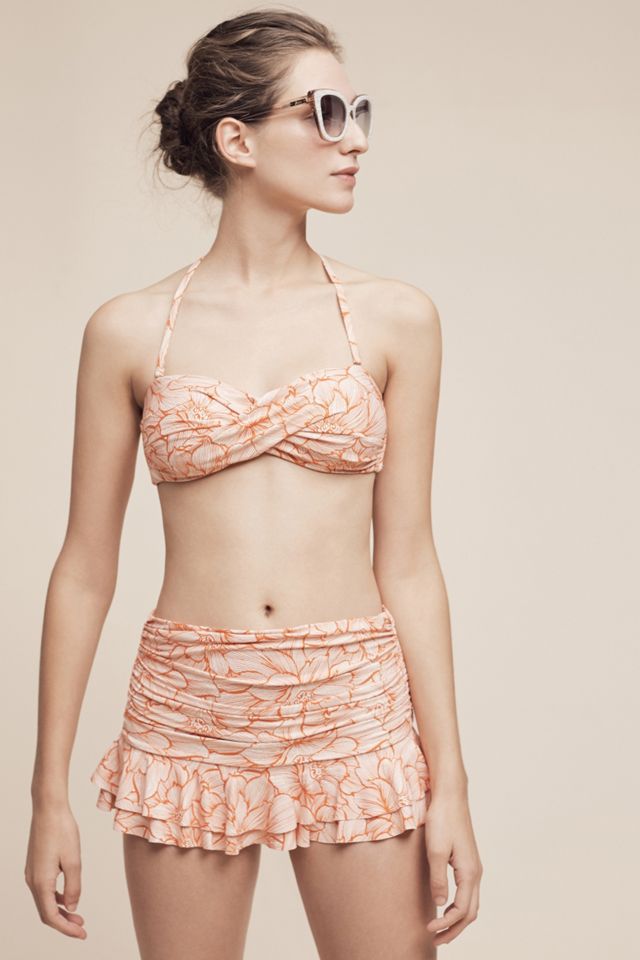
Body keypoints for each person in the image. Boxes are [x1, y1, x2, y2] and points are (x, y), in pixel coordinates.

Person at [25, 8, 482, 958]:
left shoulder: (398, 320)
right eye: (324, 113)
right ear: (237, 140)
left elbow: (410, 563)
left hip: (353, 706)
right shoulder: (127, 330)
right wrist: (47, 797)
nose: (354, 140)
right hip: (186, 712)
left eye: (358, 111)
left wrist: (452, 787)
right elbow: (83, 569)